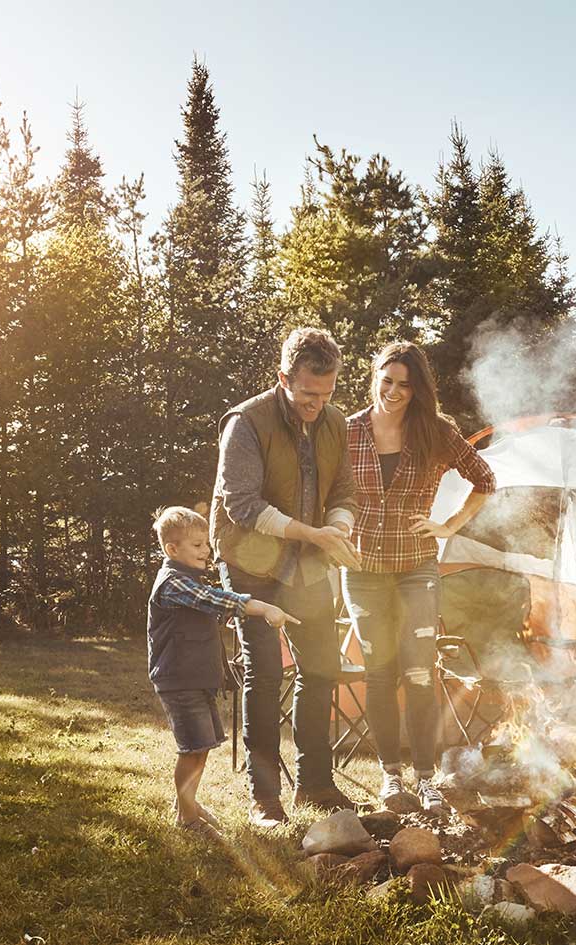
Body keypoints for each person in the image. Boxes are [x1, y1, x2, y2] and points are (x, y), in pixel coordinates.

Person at [210, 327, 361, 829]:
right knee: (265, 672)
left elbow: (343, 491)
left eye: (328, 393)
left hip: (310, 562)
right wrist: (313, 534)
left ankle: (316, 783)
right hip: (250, 562)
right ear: (283, 379)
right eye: (308, 394)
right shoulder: (246, 422)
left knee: (320, 669)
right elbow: (243, 504)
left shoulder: (335, 423)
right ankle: (265, 798)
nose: (318, 403)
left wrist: (336, 531)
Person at [342, 342, 496, 814]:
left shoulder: (437, 431)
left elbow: (485, 480)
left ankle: (425, 779)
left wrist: (448, 526)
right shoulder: (347, 431)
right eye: (386, 380)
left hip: (416, 568)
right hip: (363, 570)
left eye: (404, 385)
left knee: (419, 673)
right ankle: (392, 778)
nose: (393, 391)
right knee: (381, 674)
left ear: (417, 390)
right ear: (374, 377)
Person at [147, 506, 298, 841]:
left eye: (205, 544)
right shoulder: (173, 583)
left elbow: (204, 608)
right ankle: (188, 819)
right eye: (198, 545)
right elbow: (214, 599)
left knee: (201, 746)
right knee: (192, 748)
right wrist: (263, 607)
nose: (206, 551)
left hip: (195, 679)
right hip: (179, 680)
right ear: (173, 549)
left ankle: (185, 805)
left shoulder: (187, 581)